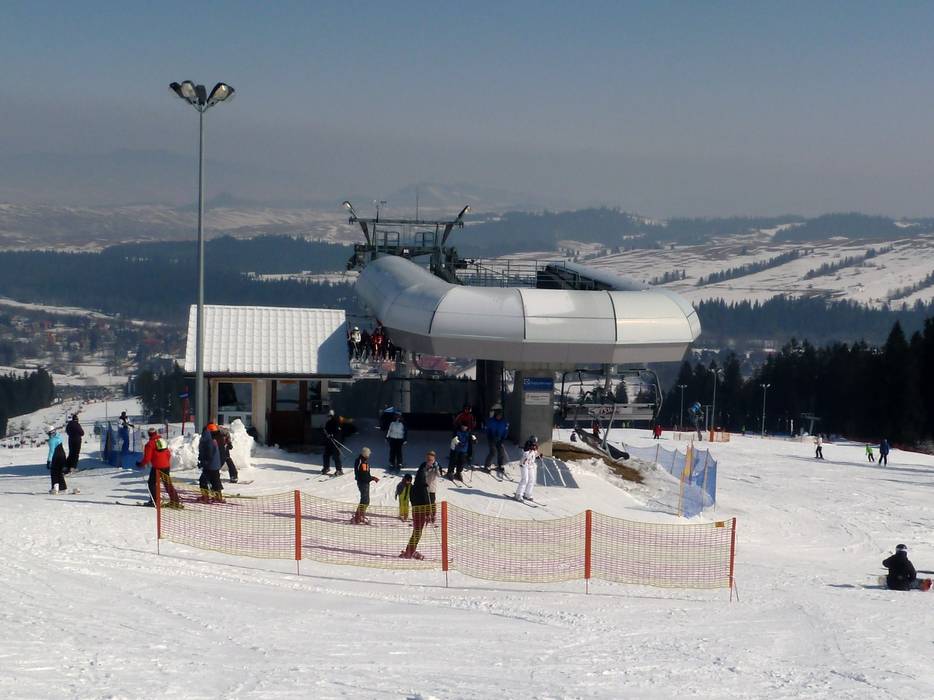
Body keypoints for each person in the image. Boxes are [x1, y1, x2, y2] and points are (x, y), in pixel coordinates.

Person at [136, 428, 181, 508]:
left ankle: (155, 501)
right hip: (166, 466)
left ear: (149, 434)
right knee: (167, 483)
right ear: (156, 433)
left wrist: (140, 464)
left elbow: (147, 458)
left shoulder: (149, 444)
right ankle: (175, 501)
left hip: (157, 467)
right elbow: (168, 454)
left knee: (151, 483)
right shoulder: (162, 441)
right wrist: (165, 462)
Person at [402, 453, 434, 559]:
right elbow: (426, 500)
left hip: (416, 510)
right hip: (420, 511)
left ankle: (410, 550)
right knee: (417, 532)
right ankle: (410, 551)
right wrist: (428, 513)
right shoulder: (422, 487)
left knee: (417, 532)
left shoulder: (415, 486)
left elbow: (413, 499)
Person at [197, 423, 224, 503]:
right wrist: (201, 459)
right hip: (214, 464)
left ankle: (205, 497)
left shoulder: (207, 440)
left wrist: (203, 463)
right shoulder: (210, 439)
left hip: (210, 465)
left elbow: (208, 454)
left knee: (203, 480)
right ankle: (218, 497)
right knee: (215, 481)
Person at [352, 447, 379, 524]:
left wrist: (371, 478)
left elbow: (365, 474)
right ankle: (359, 516)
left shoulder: (361, 461)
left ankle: (359, 515)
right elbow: (365, 476)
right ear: (366, 455)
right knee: (365, 500)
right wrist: (373, 478)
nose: (369, 456)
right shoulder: (363, 463)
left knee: (364, 500)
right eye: (368, 454)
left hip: (362, 482)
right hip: (363, 483)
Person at [515, 436, 540, 502]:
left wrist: (539, 456)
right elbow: (525, 452)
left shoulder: (535, 446)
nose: (534, 443)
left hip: (530, 465)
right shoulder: (527, 445)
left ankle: (527, 493)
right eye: (533, 441)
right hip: (524, 465)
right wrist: (530, 449)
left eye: (535, 442)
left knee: (532, 479)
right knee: (525, 479)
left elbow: (534, 455)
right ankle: (518, 494)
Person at [46, 426, 69, 495]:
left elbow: (51, 451)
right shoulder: (59, 437)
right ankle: (63, 488)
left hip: (56, 457)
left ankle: (55, 488)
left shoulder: (52, 440)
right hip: (62, 456)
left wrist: (49, 461)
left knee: (54, 472)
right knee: (59, 472)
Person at [322, 410, 344, 475]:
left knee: (335, 456)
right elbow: (327, 431)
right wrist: (326, 433)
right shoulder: (328, 422)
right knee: (326, 455)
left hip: (335, 442)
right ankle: (326, 467)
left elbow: (338, 431)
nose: (328, 417)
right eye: (328, 416)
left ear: (332, 416)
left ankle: (339, 470)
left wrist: (333, 435)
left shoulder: (337, 422)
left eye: (329, 416)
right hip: (329, 442)